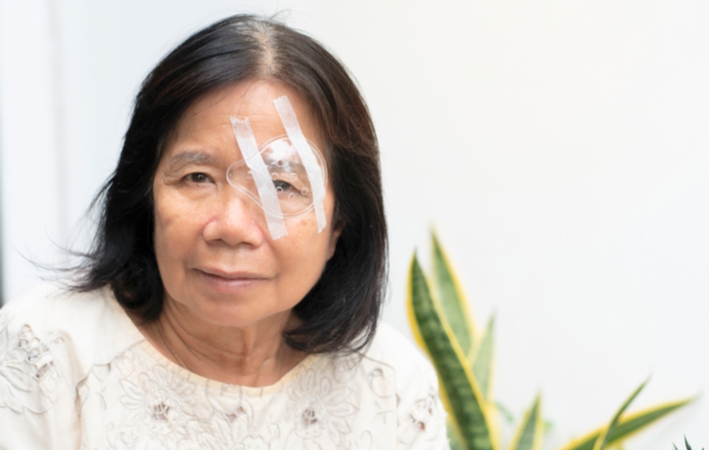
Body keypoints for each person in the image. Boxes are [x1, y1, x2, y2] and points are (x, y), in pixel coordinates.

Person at [0, 14, 448, 449]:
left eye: (280, 185)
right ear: (145, 194)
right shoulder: (46, 351)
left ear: (339, 225)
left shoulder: (392, 387)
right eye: (197, 177)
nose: (231, 228)